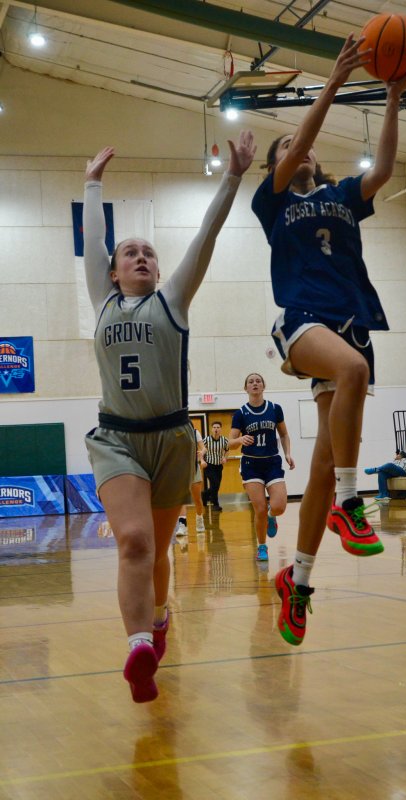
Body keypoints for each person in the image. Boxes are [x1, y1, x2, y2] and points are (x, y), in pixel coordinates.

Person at [251, 32, 406, 645]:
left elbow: (383, 169)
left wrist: (394, 96)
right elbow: (297, 142)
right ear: (282, 162)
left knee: (323, 461)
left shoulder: (343, 196)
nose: (304, 153)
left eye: (308, 152)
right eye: (290, 150)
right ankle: (352, 506)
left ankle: (296, 586)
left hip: (350, 323)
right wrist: (336, 79)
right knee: (352, 373)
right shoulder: (271, 205)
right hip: (301, 320)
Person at [82, 132, 256, 702]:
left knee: (157, 552)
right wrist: (91, 185)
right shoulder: (102, 301)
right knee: (132, 541)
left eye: (148, 252)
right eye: (129, 253)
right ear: (113, 272)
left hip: (172, 438)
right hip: (118, 439)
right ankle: (138, 647)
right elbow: (92, 243)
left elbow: (205, 236)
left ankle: (158, 620)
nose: (140, 256)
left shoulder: (172, 300)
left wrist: (232, 176)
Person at [228, 372, 295, 562]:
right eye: (251, 381)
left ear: (263, 386)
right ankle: (262, 546)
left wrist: (288, 453)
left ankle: (271, 516)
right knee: (259, 509)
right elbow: (230, 442)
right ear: (246, 388)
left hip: (272, 461)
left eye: (258, 381)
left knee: (279, 506)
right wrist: (240, 439)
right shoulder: (241, 413)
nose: (255, 384)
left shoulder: (275, 408)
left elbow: (283, 435)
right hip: (251, 464)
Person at [175, 427, 206, 536]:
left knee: (197, 499)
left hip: (193, 468)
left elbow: (203, 448)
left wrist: (201, 453)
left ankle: (199, 518)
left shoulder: (194, 432)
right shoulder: (172, 431)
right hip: (179, 468)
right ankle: (182, 524)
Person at [201, 422, 229, 511]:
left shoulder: (224, 440)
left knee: (216, 486)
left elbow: (227, 450)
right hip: (209, 465)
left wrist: (225, 458)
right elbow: (201, 452)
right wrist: (202, 461)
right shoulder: (206, 440)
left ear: (220, 429)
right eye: (214, 427)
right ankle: (215, 504)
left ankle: (205, 494)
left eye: (218, 427)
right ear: (212, 429)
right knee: (215, 484)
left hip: (219, 466)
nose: (216, 429)